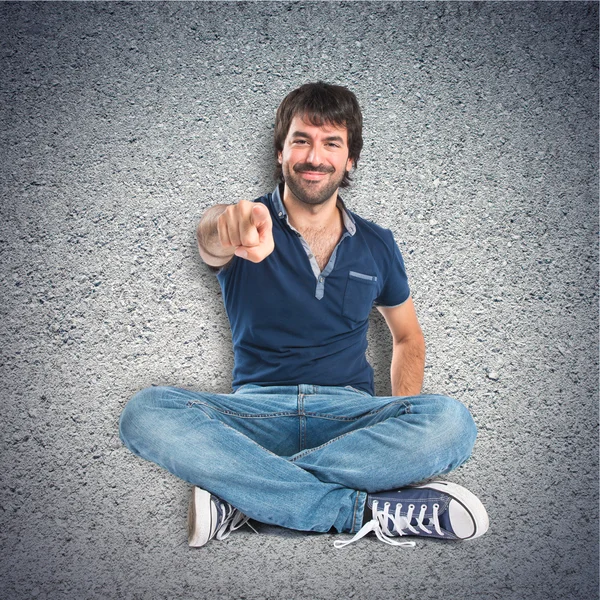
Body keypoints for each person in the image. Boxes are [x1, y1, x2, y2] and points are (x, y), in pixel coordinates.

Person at [119, 82, 489, 549]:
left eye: (331, 143)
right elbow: (214, 233)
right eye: (301, 140)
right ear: (280, 151)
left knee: (452, 421)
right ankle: (359, 507)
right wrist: (224, 224)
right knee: (144, 411)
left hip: (350, 414)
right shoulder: (249, 222)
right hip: (256, 413)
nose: (315, 156)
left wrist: (392, 418)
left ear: (349, 158)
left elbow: (407, 338)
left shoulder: (378, 245)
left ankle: (245, 495)